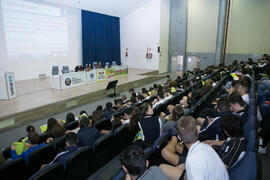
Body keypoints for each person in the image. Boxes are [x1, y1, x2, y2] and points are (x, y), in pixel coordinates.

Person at [159, 116, 229, 180]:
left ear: (179, 138)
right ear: (197, 133)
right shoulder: (207, 147)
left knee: (162, 169)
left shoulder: (192, 160)